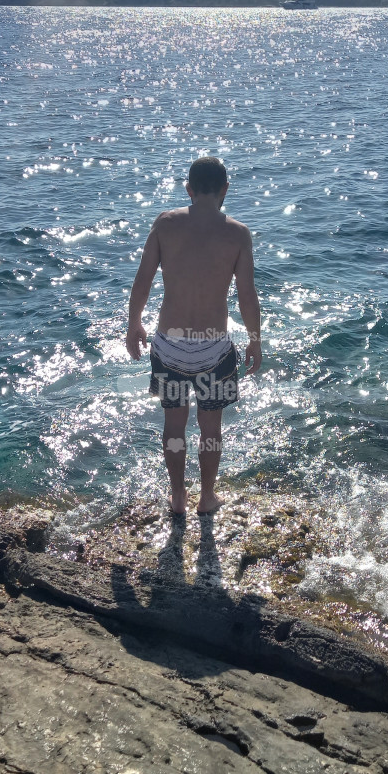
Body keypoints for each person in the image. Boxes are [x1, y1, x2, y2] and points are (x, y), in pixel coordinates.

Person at [125, 156, 262, 517]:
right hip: (213, 351)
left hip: (169, 347)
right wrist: (255, 340)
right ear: (225, 189)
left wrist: (134, 324)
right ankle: (207, 497)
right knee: (210, 429)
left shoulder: (165, 223)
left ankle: (177, 496)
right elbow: (247, 296)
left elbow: (142, 281)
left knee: (174, 425)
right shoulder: (238, 233)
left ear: (188, 189)